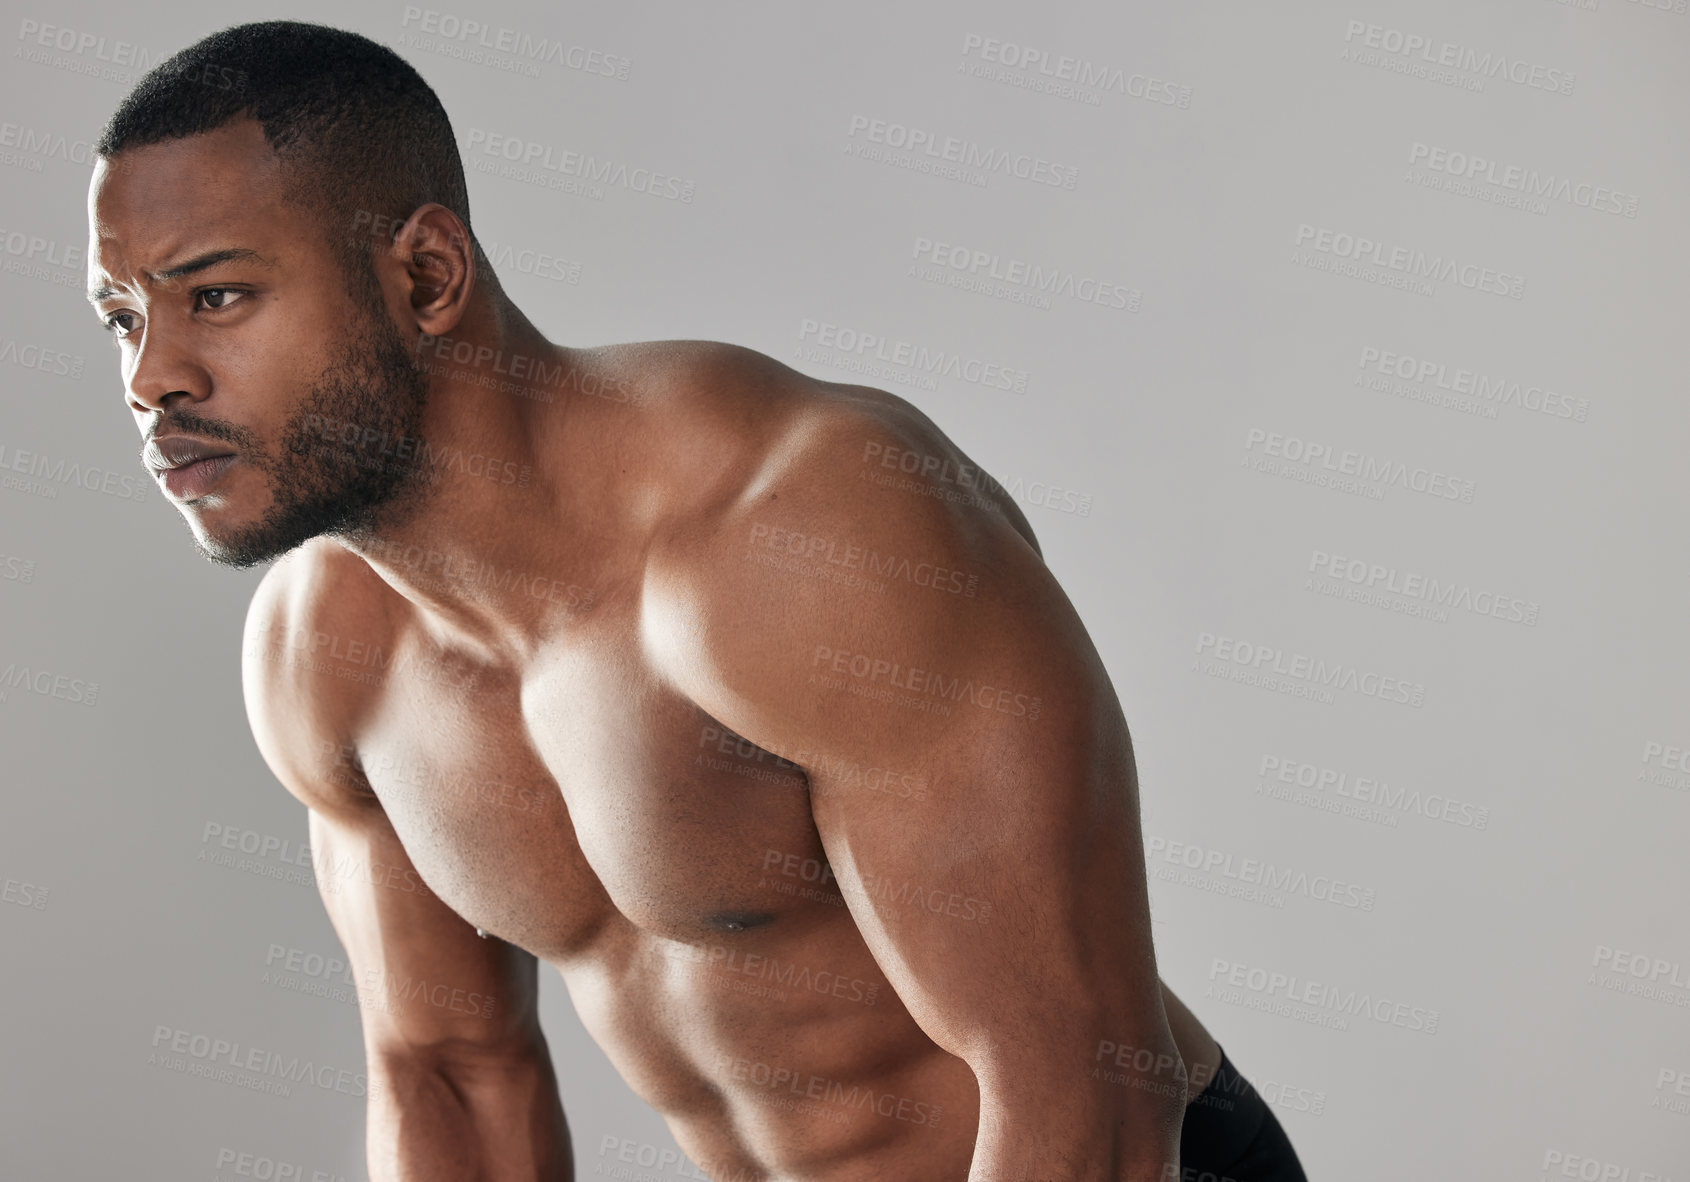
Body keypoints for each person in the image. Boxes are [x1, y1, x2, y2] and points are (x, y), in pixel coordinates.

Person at [84, 21, 1308, 1182]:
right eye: (123, 317)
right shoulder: (328, 649)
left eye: (217, 296)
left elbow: (1080, 1091)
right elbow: (451, 1073)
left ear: (427, 273)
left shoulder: (803, 532)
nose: (153, 376)